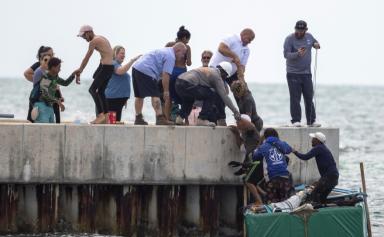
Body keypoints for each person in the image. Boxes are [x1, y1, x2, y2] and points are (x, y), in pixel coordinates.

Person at [132, 42, 187, 125]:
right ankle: (160, 118)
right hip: (147, 70)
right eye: (183, 53)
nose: (183, 56)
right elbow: (166, 74)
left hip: (136, 67)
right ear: (178, 50)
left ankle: (138, 118)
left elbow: (161, 73)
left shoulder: (165, 51)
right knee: (155, 95)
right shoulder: (171, 57)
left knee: (139, 95)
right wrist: (166, 91)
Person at [209, 28, 255, 125]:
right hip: (218, 69)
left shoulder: (247, 50)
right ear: (244, 35)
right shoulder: (231, 38)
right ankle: (220, 119)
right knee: (221, 93)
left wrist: (242, 80)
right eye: (249, 39)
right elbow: (221, 48)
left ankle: (244, 119)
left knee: (242, 92)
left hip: (232, 72)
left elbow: (242, 66)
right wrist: (234, 56)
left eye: (251, 41)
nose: (249, 42)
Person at [175, 61, 241, 126]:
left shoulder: (208, 69)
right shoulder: (217, 76)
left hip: (178, 82)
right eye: (225, 76)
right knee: (211, 94)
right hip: (188, 84)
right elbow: (224, 96)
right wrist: (235, 112)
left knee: (189, 99)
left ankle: (180, 118)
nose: (224, 78)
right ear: (223, 72)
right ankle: (202, 119)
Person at [284, 20, 321, 127]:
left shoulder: (309, 36)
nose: (299, 32)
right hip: (293, 73)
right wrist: (297, 54)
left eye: (302, 30)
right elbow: (286, 54)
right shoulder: (289, 39)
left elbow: (314, 42)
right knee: (295, 98)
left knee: (309, 97)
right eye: (298, 30)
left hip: (307, 73)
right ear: (295, 29)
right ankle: (296, 120)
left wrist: (316, 44)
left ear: (305, 30)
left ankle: (311, 120)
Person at [75, 25, 114, 124]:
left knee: (92, 89)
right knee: (101, 91)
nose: (84, 39)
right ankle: (106, 117)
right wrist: (99, 69)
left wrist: (80, 70)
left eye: (84, 36)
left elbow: (87, 57)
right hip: (109, 68)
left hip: (106, 68)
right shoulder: (101, 38)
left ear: (88, 33)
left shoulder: (94, 41)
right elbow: (108, 53)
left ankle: (100, 115)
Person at [292, 132, 339, 204]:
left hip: (329, 177)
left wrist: (294, 151)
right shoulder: (323, 148)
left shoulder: (318, 148)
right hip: (333, 177)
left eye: (313, 139)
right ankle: (322, 209)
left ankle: (311, 211)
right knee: (321, 198)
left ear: (317, 140)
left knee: (313, 195)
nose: (311, 140)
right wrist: (321, 180)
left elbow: (305, 157)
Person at [252, 128, 295, 203]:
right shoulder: (282, 144)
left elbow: (255, 157)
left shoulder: (263, 147)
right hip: (285, 177)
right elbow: (289, 150)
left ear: (265, 137)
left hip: (271, 178)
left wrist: (260, 143)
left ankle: (273, 214)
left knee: (272, 203)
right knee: (286, 202)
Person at [24, 46, 63, 123]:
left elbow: (56, 81)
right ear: (41, 57)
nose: (51, 56)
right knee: (33, 116)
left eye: (52, 54)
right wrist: (40, 82)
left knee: (56, 113)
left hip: (52, 93)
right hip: (40, 94)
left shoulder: (53, 64)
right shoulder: (39, 65)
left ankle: (58, 125)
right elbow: (26, 73)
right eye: (49, 55)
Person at [33, 58, 76, 123]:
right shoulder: (46, 77)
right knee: (44, 129)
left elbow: (65, 83)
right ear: (53, 67)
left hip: (50, 107)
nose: (60, 69)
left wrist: (73, 74)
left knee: (51, 129)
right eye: (59, 67)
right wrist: (57, 102)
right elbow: (44, 94)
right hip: (42, 106)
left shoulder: (55, 77)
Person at [105, 46, 140, 122]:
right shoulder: (113, 63)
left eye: (124, 54)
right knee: (112, 122)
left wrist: (124, 99)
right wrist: (132, 60)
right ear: (115, 54)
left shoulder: (117, 64)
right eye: (122, 53)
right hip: (112, 99)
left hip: (118, 99)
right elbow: (121, 71)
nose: (124, 55)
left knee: (115, 122)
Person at [165, 26, 192, 121]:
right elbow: (189, 63)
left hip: (170, 72)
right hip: (181, 73)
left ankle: (167, 119)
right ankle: (186, 120)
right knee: (184, 96)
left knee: (169, 97)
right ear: (185, 38)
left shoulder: (169, 44)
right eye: (188, 39)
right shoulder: (187, 47)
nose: (188, 42)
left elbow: (164, 58)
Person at [187, 50, 213, 125]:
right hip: (194, 107)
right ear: (201, 59)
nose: (206, 59)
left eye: (208, 58)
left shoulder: (215, 73)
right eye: (204, 57)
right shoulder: (196, 72)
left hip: (208, 110)